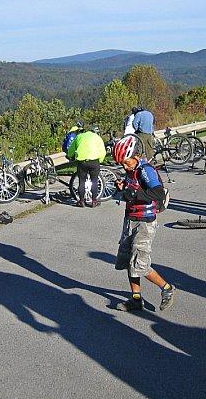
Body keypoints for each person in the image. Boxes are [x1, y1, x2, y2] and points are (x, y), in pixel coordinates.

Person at [112, 135, 176, 312]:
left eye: (126, 163)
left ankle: (167, 289)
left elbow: (158, 194)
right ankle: (135, 299)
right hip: (130, 219)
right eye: (121, 164)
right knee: (127, 260)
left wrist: (135, 195)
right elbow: (132, 187)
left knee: (139, 264)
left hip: (145, 222)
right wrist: (123, 187)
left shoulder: (145, 170)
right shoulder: (131, 170)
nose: (125, 167)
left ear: (136, 155)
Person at [66, 125, 106, 207]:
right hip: (94, 161)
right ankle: (94, 201)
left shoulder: (79, 136)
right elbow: (103, 152)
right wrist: (100, 160)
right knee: (94, 181)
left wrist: (70, 155)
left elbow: (70, 151)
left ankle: (81, 201)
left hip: (82, 161)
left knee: (82, 181)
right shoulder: (97, 137)